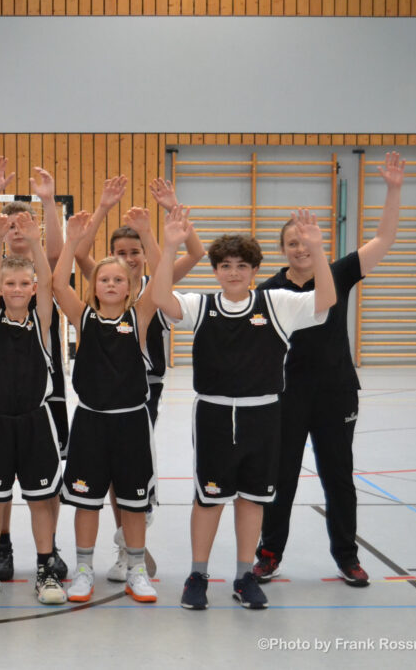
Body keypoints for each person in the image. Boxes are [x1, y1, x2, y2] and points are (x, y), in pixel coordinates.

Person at [150, 206, 337, 611]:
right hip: (214, 414)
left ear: (254, 269)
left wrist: (319, 249)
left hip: (262, 414)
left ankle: (243, 575)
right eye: (225, 266)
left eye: (241, 266)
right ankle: (198, 575)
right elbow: (160, 297)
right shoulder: (202, 305)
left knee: (252, 499)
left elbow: (326, 299)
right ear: (216, 270)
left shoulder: (277, 303)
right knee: (209, 498)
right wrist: (169, 247)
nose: (233, 272)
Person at [254, 151, 405, 587]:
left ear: (320, 243)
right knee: (280, 478)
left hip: (337, 393)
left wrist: (393, 190)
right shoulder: (269, 290)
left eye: (307, 241)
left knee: (338, 478)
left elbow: (385, 238)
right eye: (292, 242)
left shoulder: (337, 273)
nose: (301, 248)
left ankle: (347, 557)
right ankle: (269, 553)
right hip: (286, 397)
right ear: (282, 250)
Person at [74, 176, 204, 580]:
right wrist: (102, 207)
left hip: (144, 387)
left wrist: (167, 213)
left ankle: (132, 540)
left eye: (134, 253)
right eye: (120, 253)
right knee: (111, 471)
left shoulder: (154, 286)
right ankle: (126, 547)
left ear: (145, 257)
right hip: (103, 391)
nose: (128, 260)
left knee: (131, 468)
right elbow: (79, 254)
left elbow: (196, 252)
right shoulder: (107, 284)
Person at [0, 156, 68, 582]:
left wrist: (46, 206)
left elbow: (49, 273)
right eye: (9, 226)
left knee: (45, 488)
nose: (16, 288)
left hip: (40, 402)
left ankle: (48, 555)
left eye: (23, 284)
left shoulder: (40, 295)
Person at [52, 211, 161, 605]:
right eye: (104, 279)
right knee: (86, 502)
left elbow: (162, 278)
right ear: (94, 287)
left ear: (130, 286)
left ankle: (136, 570)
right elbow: (57, 284)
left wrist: (150, 234)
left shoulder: (140, 316)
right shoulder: (83, 317)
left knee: (133, 502)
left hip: (131, 423)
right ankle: (84, 570)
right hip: (90, 423)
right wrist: (70, 241)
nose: (112, 284)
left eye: (119, 279)